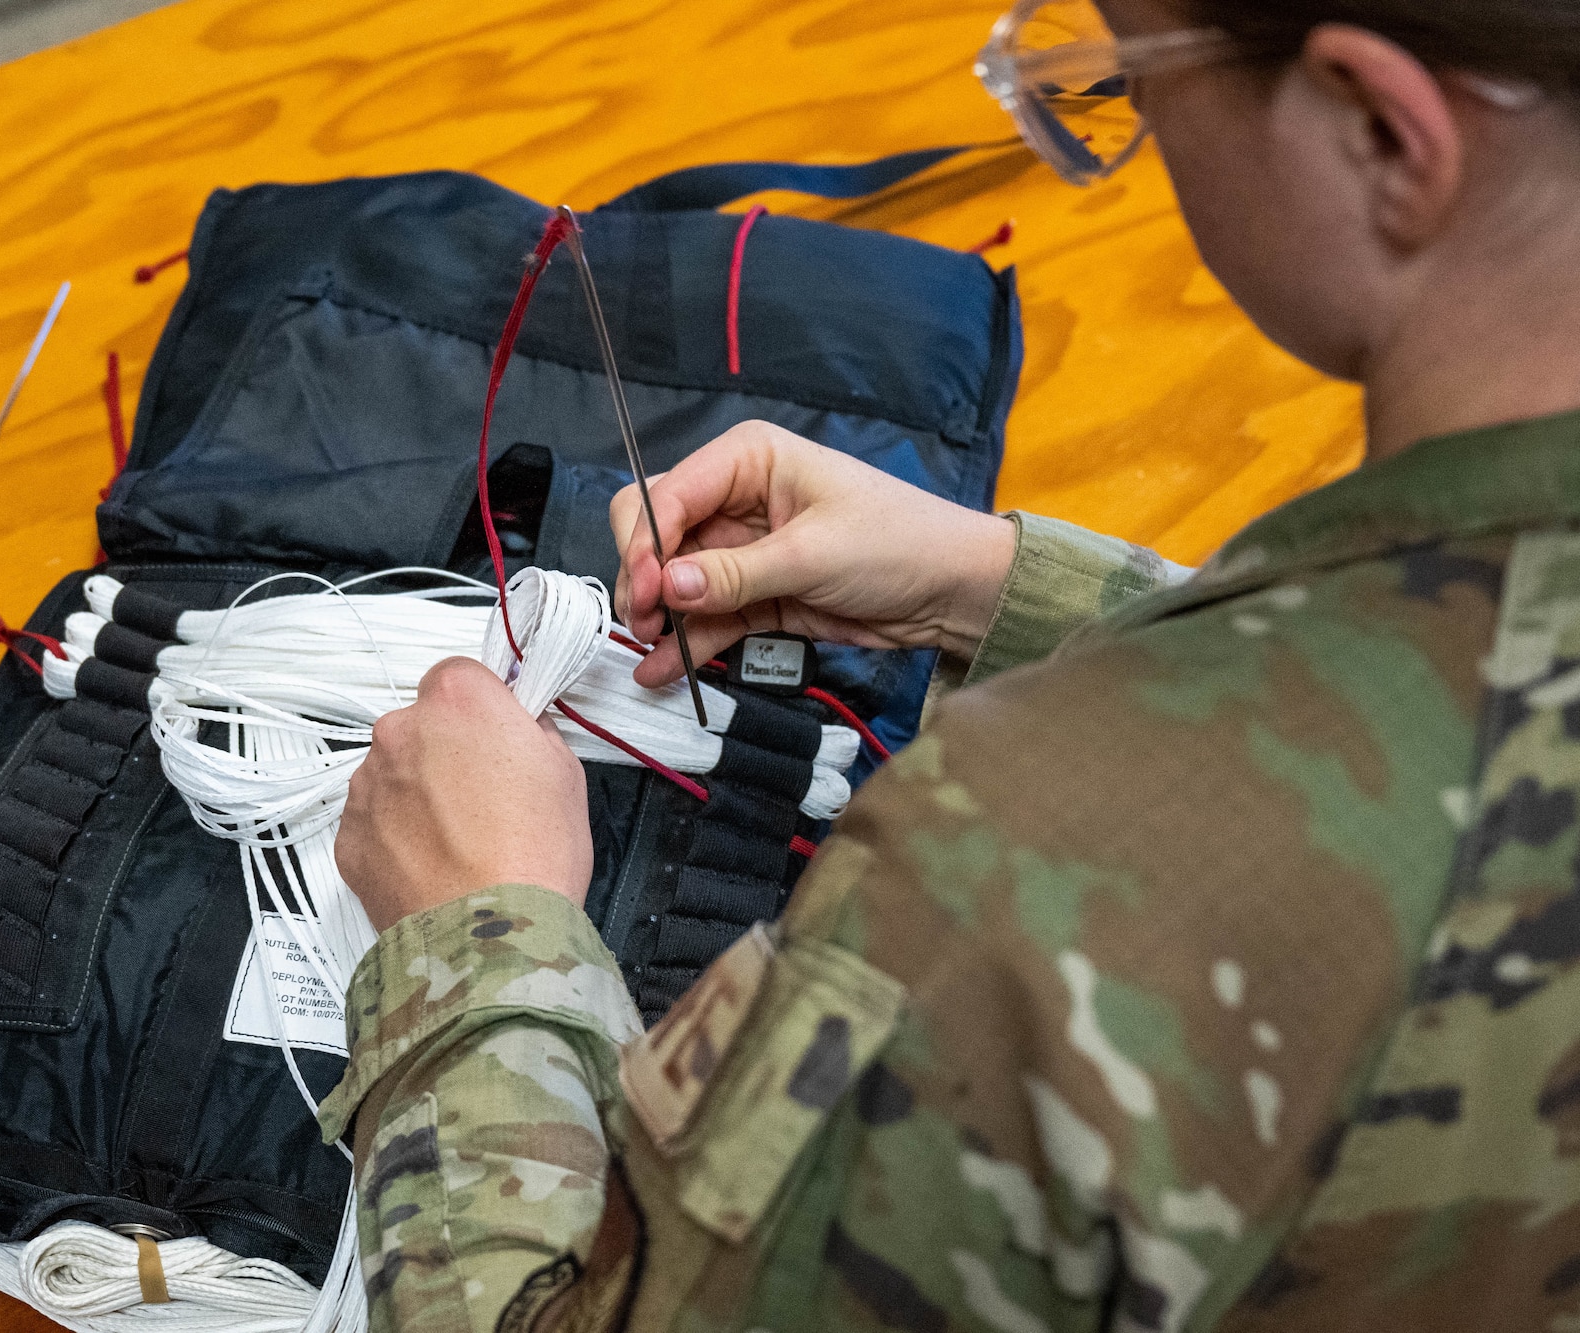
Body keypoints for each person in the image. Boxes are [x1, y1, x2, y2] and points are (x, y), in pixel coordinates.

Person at [325, 0, 1580, 1328]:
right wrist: (1005, 589)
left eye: (1134, 83)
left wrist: (469, 946)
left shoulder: (1019, 890)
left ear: (1380, 133)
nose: (1138, 131)